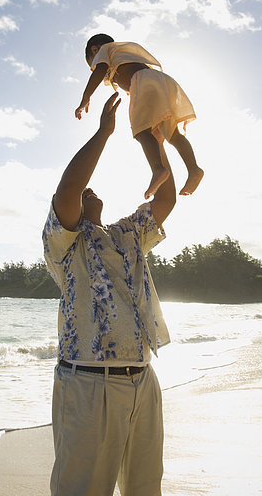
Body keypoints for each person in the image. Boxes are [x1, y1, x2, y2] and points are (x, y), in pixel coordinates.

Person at [43, 93, 176, 496]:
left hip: (143, 378)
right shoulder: (65, 245)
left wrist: (150, 137)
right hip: (87, 382)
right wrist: (104, 132)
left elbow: (166, 198)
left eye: (91, 190)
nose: (88, 191)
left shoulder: (127, 234)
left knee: (145, 488)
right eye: (83, 194)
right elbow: (67, 189)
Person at [75, 33, 204, 199]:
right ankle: (193, 169)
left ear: (95, 50)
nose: (96, 67)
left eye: (92, 64)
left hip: (143, 82)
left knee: (141, 131)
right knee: (173, 135)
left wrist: (86, 96)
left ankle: (158, 168)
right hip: (159, 81)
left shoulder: (104, 50)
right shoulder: (121, 55)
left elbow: (100, 70)